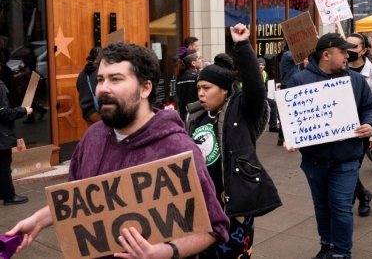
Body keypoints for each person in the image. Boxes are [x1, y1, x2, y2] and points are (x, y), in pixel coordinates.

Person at [6, 42, 230, 259]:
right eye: (101, 79)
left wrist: (165, 252)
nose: (103, 88)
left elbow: (214, 227)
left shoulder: (179, 149)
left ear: (145, 88)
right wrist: (37, 220)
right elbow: (76, 202)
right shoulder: (92, 137)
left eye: (116, 79)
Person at [186, 24, 282, 259]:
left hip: (233, 205)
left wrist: (242, 45)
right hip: (202, 206)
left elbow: (255, 88)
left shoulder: (241, 111)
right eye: (198, 88)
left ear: (225, 90)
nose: (201, 93)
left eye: (207, 88)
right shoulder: (194, 116)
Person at [285, 33, 372, 259]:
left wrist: (370, 124)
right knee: (322, 206)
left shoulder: (355, 80)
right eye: (343, 52)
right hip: (314, 160)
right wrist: (291, 136)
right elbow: (290, 115)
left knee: (340, 207)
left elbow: (371, 107)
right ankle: (327, 245)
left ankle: (341, 253)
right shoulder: (299, 81)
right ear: (326, 55)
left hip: (346, 158)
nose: (348, 56)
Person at [346, 33, 372, 217]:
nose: (349, 50)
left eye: (354, 47)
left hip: (362, 130)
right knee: (344, 168)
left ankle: (359, 198)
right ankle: (363, 195)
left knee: (350, 168)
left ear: (364, 50)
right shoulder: (339, 69)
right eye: (346, 46)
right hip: (340, 129)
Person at [0, 63, 33, 205]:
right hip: (1, 136)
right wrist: (23, 111)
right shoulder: (0, 86)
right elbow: (3, 112)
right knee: (3, 167)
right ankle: (9, 196)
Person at [277, 41, 301, 145]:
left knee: (288, 113)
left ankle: (283, 137)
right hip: (288, 86)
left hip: (289, 85)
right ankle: (284, 137)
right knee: (288, 113)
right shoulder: (288, 54)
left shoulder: (286, 54)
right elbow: (300, 56)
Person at [76, 46, 102, 127]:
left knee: (93, 135)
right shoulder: (98, 72)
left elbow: (78, 87)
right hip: (96, 111)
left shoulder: (82, 72)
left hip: (86, 111)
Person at [175, 50, 201, 121]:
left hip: (183, 115)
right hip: (197, 115)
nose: (201, 60)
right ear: (193, 63)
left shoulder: (179, 78)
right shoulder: (198, 76)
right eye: (199, 58)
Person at [258, 57, 279, 132]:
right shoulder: (252, 72)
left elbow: (265, 87)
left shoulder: (264, 74)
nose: (261, 66)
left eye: (263, 65)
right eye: (259, 64)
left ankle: (273, 126)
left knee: (273, 103)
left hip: (262, 97)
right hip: (253, 97)